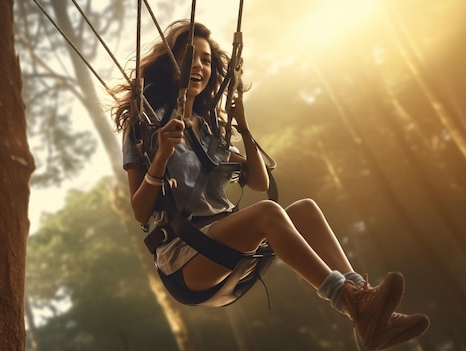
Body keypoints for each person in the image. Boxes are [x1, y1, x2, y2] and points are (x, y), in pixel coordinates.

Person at [111, 19, 429, 350]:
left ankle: (361, 304)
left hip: (224, 248)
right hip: (185, 260)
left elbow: (260, 181)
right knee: (267, 214)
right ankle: (350, 301)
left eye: (206, 60)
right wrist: (161, 155)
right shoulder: (143, 125)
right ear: (170, 65)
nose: (199, 67)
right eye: (190, 58)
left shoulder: (207, 129)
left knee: (304, 209)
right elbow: (139, 211)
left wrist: (244, 126)